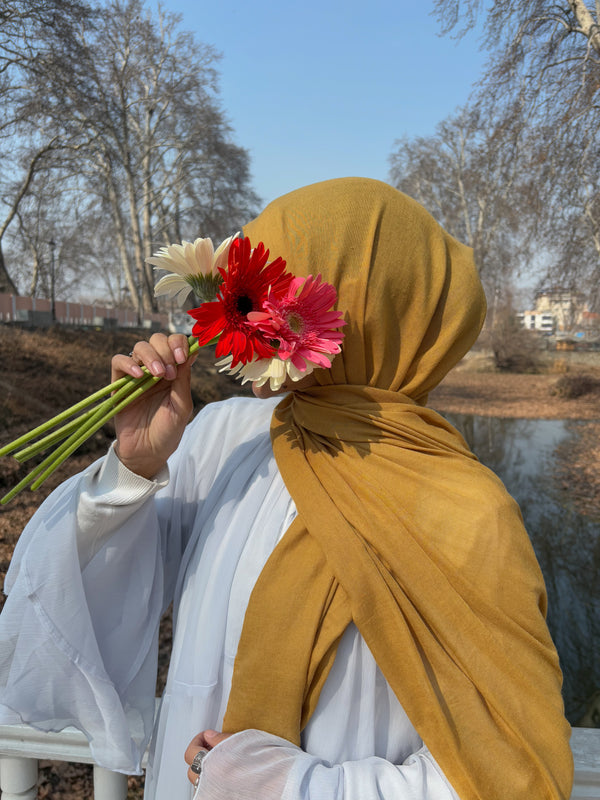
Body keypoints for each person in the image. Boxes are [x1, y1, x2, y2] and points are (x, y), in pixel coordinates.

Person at [0, 178, 573, 800]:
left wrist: (289, 788)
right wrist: (134, 467)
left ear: (369, 310)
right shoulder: (225, 438)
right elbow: (80, 595)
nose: (254, 323)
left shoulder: (468, 512)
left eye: (280, 293)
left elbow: (517, 771)